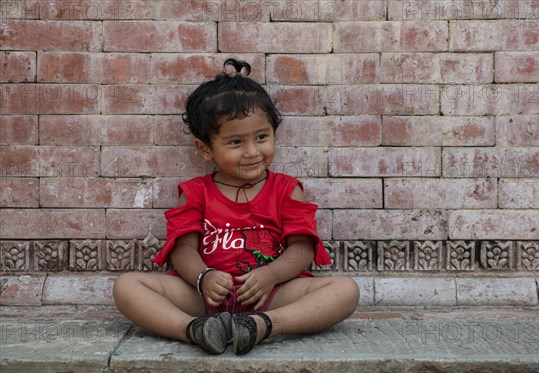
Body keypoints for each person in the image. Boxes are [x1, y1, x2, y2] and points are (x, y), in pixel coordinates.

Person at [112, 58, 360, 355]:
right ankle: (196, 330)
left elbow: (302, 250)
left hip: (272, 295)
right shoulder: (195, 193)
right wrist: (203, 278)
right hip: (203, 298)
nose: (252, 152)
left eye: (261, 137)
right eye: (235, 142)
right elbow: (183, 250)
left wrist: (270, 275)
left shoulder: (286, 189)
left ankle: (263, 326)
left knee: (346, 290)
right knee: (126, 287)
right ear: (205, 148)